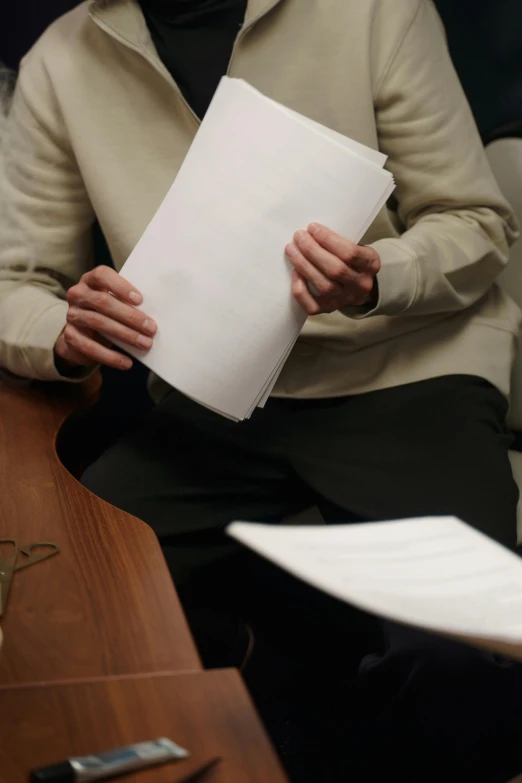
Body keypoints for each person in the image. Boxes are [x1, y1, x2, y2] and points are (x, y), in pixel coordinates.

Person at [0, 0, 521, 779]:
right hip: (209, 400)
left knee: (465, 656)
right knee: (64, 610)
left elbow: (476, 222)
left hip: (406, 375)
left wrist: (380, 276)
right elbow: (14, 281)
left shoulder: (375, 12)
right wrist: (64, 333)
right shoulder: (60, 56)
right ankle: (253, 671)